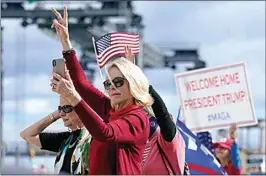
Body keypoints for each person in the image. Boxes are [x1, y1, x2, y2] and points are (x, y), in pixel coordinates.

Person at [50, 6, 154, 175]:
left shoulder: (137, 118)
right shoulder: (112, 109)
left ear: (134, 83)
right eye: (108, 83)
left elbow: (105, 133)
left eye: (119, 82)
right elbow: (83, 85)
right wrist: (66, 43)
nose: (112, 87)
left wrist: (72, 96)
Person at [125, 46, 187, 175]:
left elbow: (161, 111)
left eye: (144, 113)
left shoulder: (167, 142)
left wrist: (138, 78)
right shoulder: (138, 147)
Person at [20, 96, 91, 175]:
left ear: (82, 108)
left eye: (67, 108)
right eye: (60, 109)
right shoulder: (65, 140)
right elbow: (26, 135)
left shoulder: (93, 139)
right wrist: (55, 115)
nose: (62, 113)